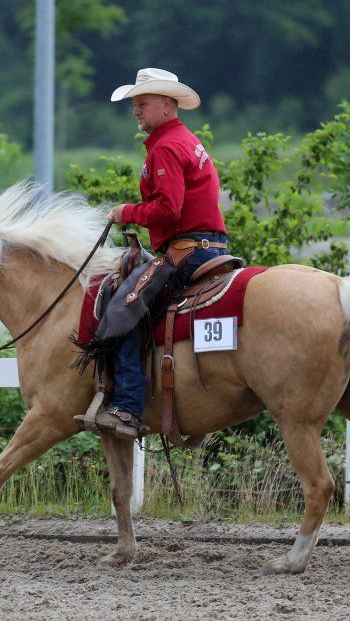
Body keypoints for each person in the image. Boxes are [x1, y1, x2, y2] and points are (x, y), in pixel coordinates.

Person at [94, 68, 231, 440]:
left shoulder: (165, 147)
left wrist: (127, 213)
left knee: (124, 308)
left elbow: (168, 210)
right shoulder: (185, 140)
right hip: (211, 246)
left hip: (187, 252)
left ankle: (127, 407)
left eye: (143, 104)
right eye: (134, 105)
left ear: (168, 106)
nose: (136, 111)